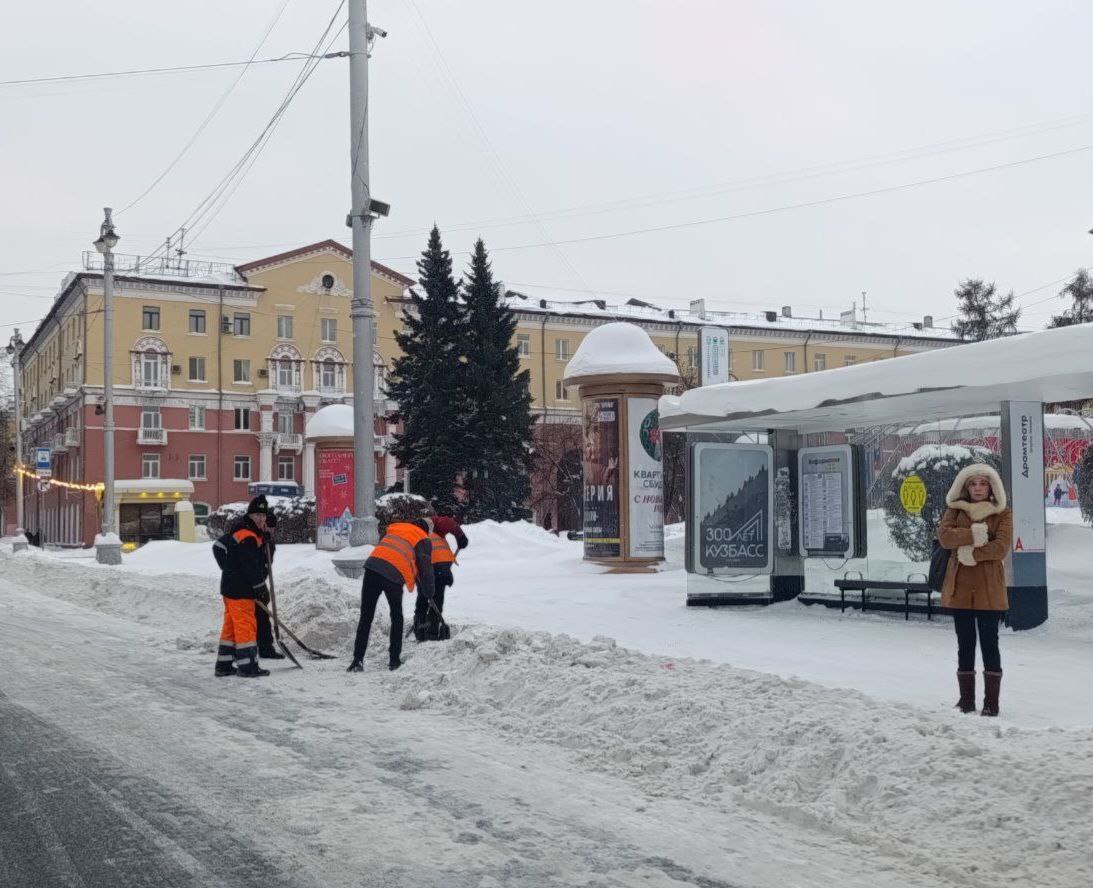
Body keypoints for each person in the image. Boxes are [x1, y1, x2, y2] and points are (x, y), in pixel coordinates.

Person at [937, 464, 1013, 716]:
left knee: (991, 645)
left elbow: (1001, 547)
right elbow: (945, 537)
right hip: (960, 590)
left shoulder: (1002, 513)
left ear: (991, 486)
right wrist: (975, 534)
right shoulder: (954, 510)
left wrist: (971, 552)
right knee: (964, 644)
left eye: (983, 483)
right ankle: (966, 701)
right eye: (973, 483)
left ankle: (991, 704)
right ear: (965, 487)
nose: (978, 488)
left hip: (989, 591)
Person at [347, 518, 434, 672]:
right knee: (396, 616)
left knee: (366, 616)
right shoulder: (423, 538)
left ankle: (357, 660)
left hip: (372, 568)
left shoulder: (397, 528)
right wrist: (428, 593)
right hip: (393, 575)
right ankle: (394, 661)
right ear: (426, 530)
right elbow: (425, 570)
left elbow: (388, 550)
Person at [212, 496, 273, 678]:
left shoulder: (244, 531)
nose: (261, 519)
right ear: (250, 516)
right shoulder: (247, 536)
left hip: (231, 589)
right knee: (246, 625)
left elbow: (219, 546)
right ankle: (248, 667)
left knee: (231, 627)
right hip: (240, 591)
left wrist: (230, 569)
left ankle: (223, 665)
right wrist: (260, 587)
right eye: (257, 515)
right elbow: (250, 566)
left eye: (263, 515)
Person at [414, 513, 468, 641]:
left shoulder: (413, 535)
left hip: (430, 566)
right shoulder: (434, 530)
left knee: (423, 596)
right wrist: (461, 537)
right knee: (437, 598)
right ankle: (432, 631)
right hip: (443, 567)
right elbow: (449, 523)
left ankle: (421, 630)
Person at [254, 510, 285, 660]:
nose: (271, 530)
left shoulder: (269, 540)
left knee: (262, 614)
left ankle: (264, 646)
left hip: (259, 581)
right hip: (249, 582)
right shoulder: (253, 535)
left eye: (273, 528)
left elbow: (266, 563)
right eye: (269, 526)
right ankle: (260, 647)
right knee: (254, 615)